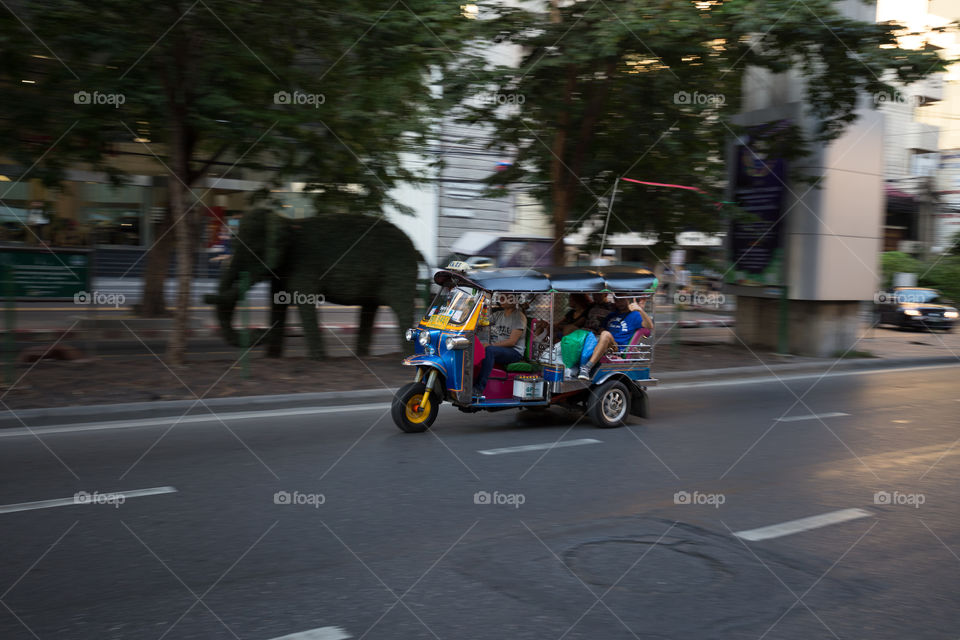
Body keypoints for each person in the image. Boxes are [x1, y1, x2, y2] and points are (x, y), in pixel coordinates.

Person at [578, 295, 653, 380]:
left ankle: (587, 367)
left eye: (622, 300)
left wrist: (640, 310)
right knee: (585, 336)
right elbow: (601, 330)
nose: (619, 303)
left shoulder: (635, 315)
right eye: (617, 300)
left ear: (627, 299)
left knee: (605, 334)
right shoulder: (612, 315)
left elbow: (649, 326)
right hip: (605, 344)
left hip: (617, 349)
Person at [473, 293, 527, 396]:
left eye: (506, 296)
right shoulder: (499, 314)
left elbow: (512, 342)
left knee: (489, 350)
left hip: (515, 352)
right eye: (501, 296)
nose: (502, 298)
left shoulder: (519, 317)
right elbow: (482, 322)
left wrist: (490, 345)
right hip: (500, 349)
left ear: (514, 299)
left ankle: (479, 388)